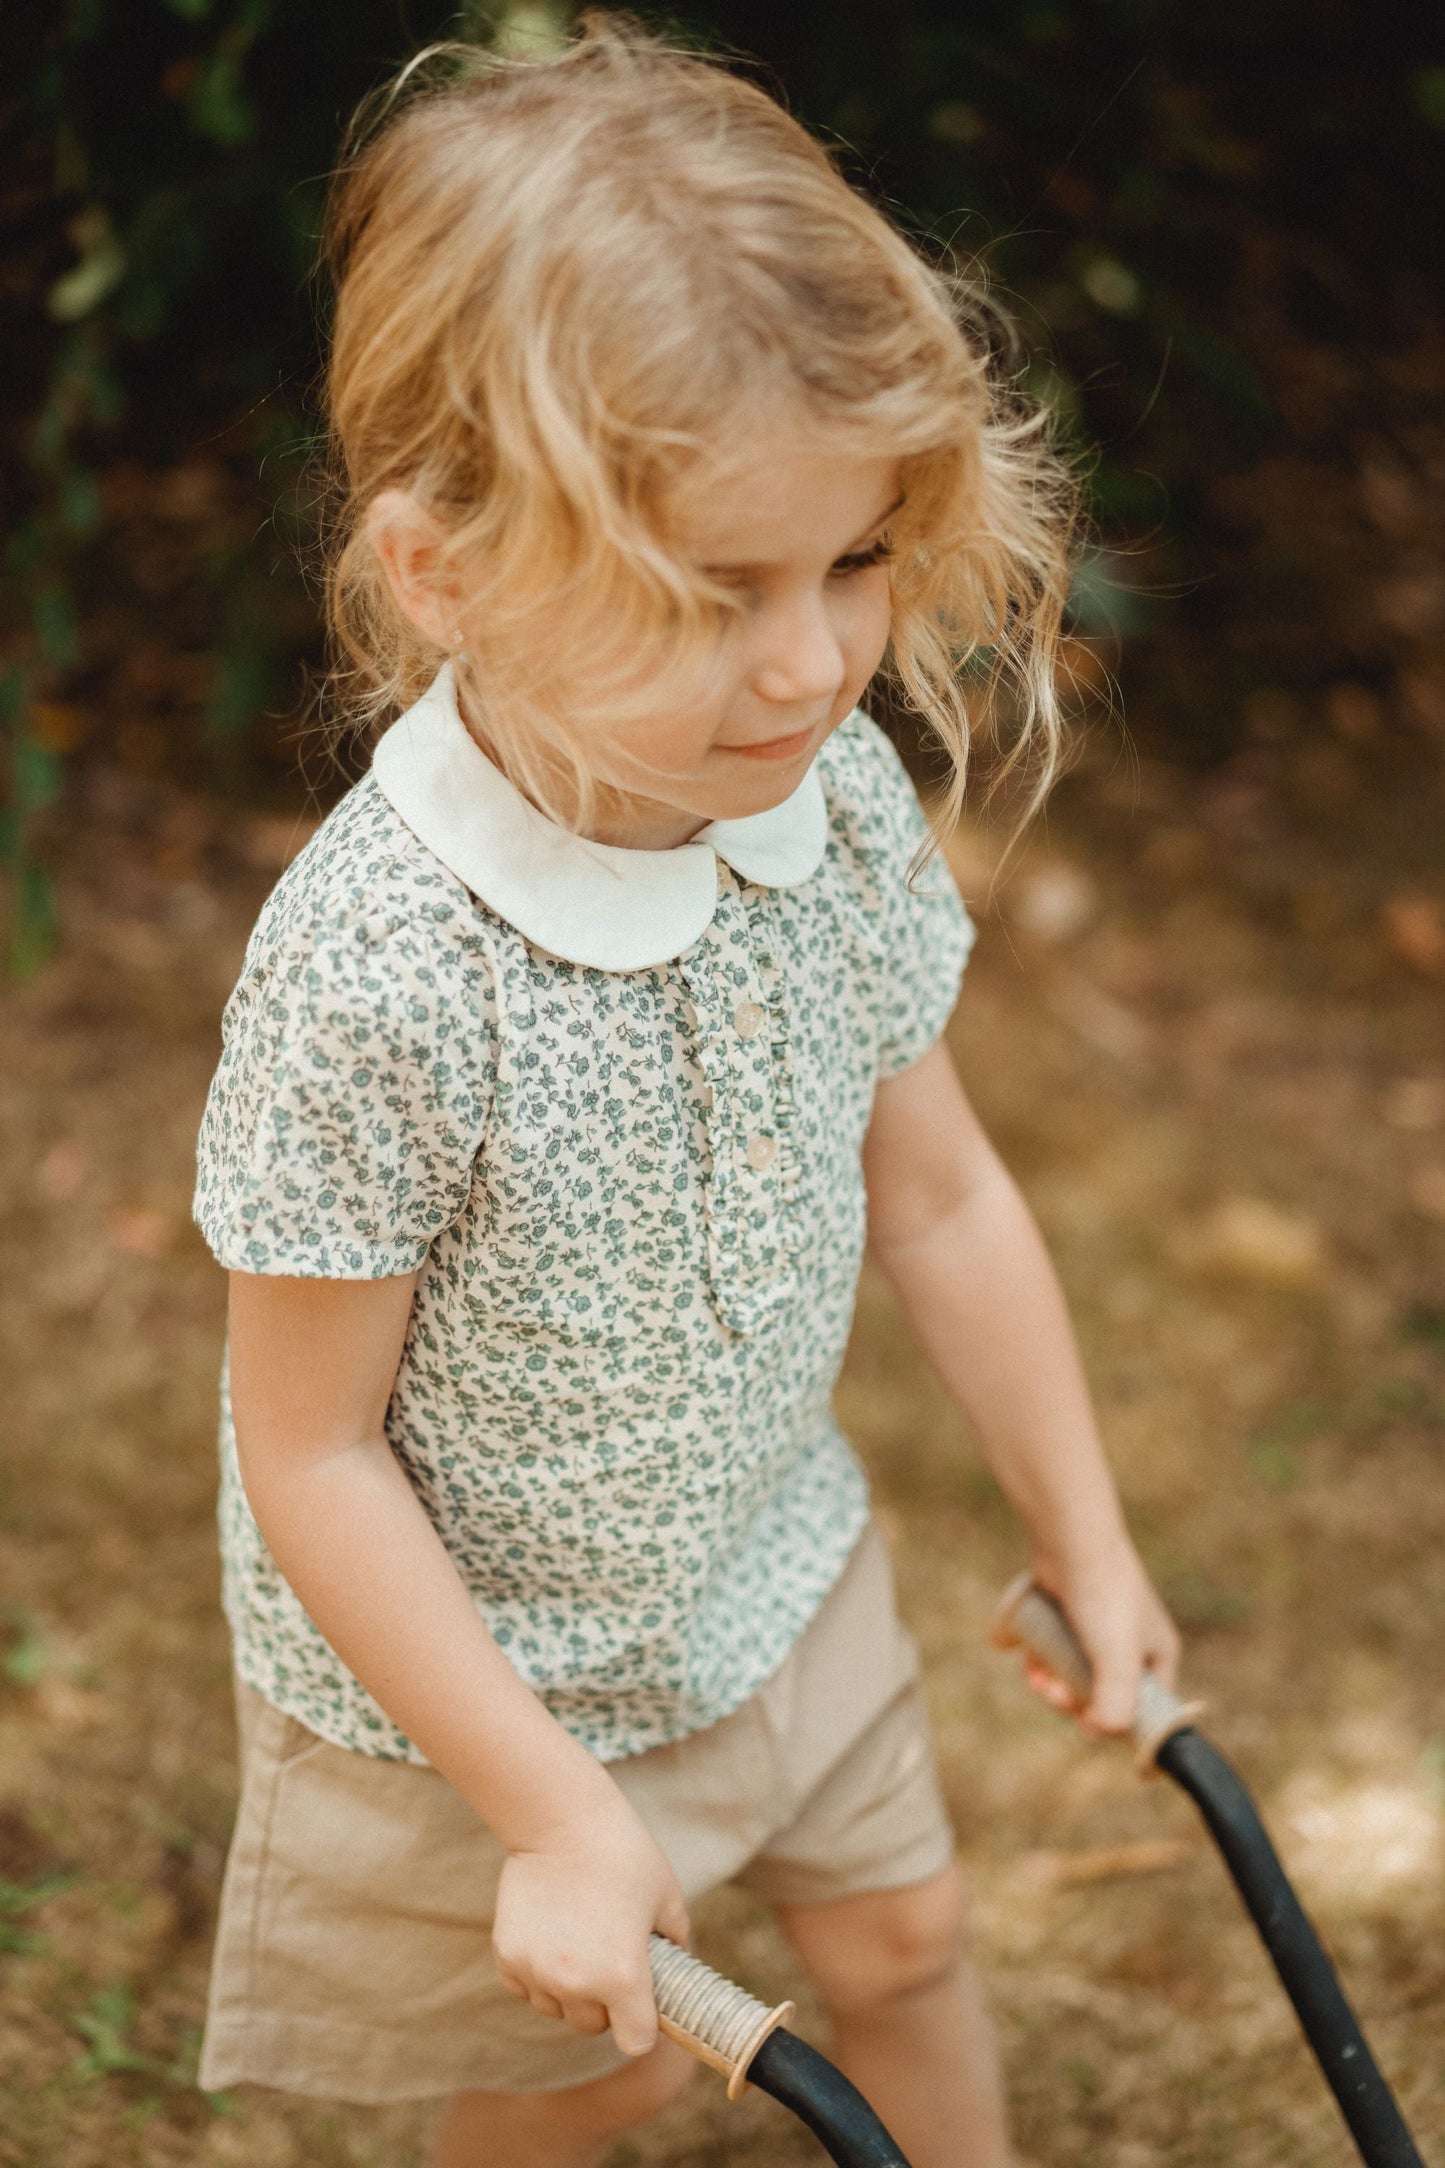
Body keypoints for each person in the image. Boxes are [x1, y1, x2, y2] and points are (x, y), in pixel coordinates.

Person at [190, 17, 1179, 2167]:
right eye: (711, 592)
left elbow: (940, 1196)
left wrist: (1084, 1537)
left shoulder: (824, 805)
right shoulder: (383, 969)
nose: (813, 663)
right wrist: (552, 1815)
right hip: (477, 1702)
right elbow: (311, 1448)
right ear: (445, 572)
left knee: (906, 1941)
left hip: (769, 1578)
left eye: (853, 561)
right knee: (592, 2075)